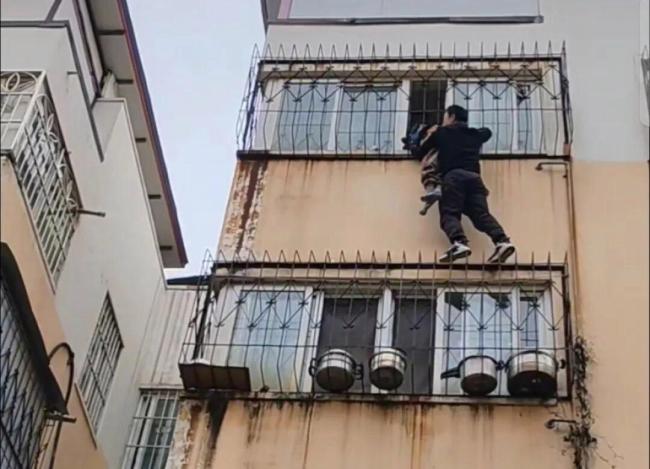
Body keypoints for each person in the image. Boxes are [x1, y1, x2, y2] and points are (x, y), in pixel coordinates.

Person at [413, 105, 515, 263]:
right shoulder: (474, 134)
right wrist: (472, 132)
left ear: (452, 116)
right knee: (481, 215)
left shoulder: (442, 133)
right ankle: (502, 241)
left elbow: (421, 151)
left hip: (453, 178)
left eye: (445, 116)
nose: (443, 120)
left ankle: (459, 242)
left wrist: (416, 143)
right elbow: (487, 132)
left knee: (449, 213)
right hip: (475, 179)